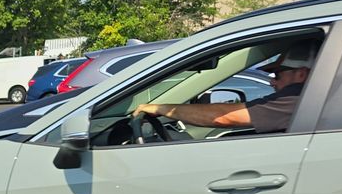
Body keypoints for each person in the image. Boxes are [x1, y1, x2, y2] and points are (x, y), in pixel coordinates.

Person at [133, 45, 316, 135]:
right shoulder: (312, 100)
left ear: (300, 74)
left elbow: (224, 116)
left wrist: (162, 109)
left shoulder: (296, 99)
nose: (272, 83)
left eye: (277, 75)